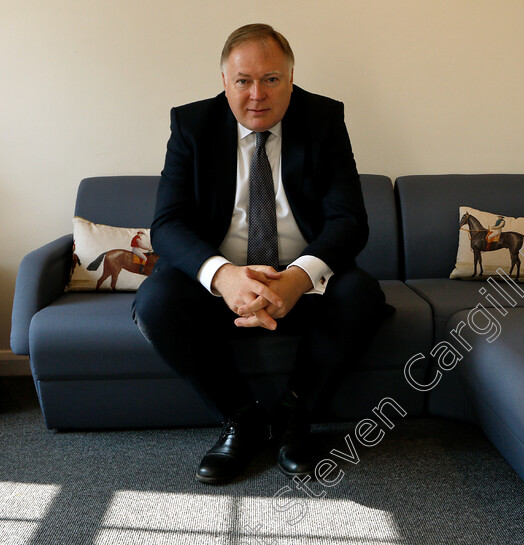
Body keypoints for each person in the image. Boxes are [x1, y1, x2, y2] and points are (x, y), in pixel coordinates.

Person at [132, 23, 389, 485]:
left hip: (304, 285)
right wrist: (225, 277)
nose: (257, 95)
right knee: (156, 301)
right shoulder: (192, 126)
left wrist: (298, 278)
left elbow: (349, 221)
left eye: (271, 79)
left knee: (362, 294)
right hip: (220, 289)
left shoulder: (324, 120)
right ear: (224, 83)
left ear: (291, 79)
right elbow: (168, 224)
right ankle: (241, 418)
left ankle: (295, 415)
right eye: (243, 81)